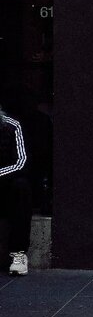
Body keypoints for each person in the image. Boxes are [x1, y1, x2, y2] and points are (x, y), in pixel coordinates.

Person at [0, 108, 30, 276]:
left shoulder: (12, 126)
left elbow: (22, 163)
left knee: (21, 187)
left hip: (5, 189)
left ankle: (18, 254)